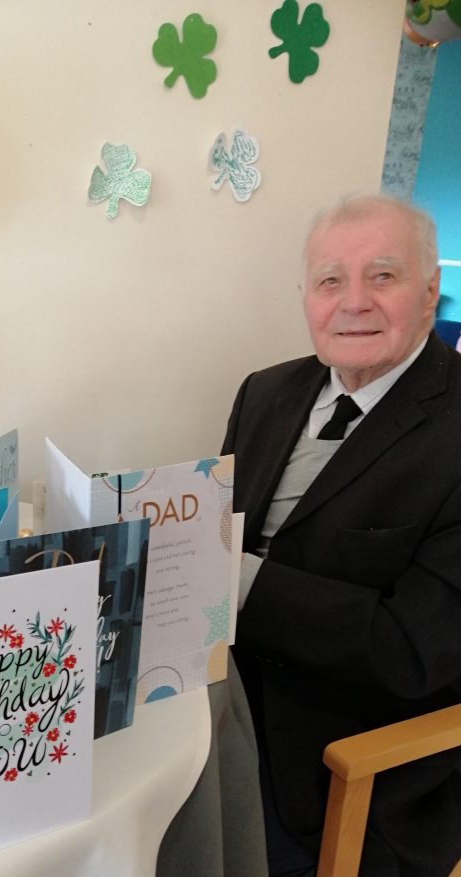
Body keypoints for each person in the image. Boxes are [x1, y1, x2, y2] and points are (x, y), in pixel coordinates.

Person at [222, 194, 461, 877]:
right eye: (330, 280)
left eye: (382, 275)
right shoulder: (264, 391)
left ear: (429, 290)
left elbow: (413, 652)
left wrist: (235, 577)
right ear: (306, 296)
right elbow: (223, 527)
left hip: (350, 765)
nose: (354, 302)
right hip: (221, 702)